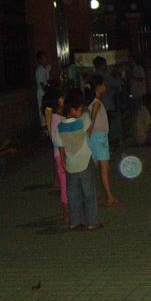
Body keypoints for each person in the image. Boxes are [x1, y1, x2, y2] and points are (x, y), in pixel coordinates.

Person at [54, 93, 102, 231]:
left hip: (70, 164)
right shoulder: (83, 120)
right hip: (85, 161)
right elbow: (89, 122)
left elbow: (60, 147)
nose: (81, 111)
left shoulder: (60, 127)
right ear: (72, 110)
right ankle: (92, 222)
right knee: (89, 193)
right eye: (79, 108)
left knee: (73, 194)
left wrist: (63, 163)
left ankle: (74, 222)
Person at [87, 75, 120, 206]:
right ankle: (109, 196)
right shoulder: (96, 103)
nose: (105, 86)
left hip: (94, 137)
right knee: (104, 169)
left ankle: (96, 195)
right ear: (98, 87)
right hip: (99, 138)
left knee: (94, 169)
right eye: (103, 84)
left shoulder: (93, 103)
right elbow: (92, 121)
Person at [44, 89, 68, 219]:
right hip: (60, 154)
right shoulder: (55, 117)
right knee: (64, 184)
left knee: (68, 183)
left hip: (67, 153)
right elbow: (55, 139)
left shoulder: (62, 116)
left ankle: (71, 210)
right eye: (61, 98)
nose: (64, 99)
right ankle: (66, 212)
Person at [93, 56, 123, 144]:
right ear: (102, 65)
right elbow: (117, 83)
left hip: (96, 103)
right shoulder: (105, 76)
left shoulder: (93, 75)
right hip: (107, 103)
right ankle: (109, 142)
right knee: (108, 124)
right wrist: (117, 75)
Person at [35, 51, 51, 133]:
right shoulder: (39, 70)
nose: (46, 60)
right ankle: (44, 128)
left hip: (45, 93)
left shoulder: (45, 68)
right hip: (42, 93)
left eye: (46, 58)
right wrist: (47, 93)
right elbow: (42, 84)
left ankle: (47, 127)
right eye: (44, 58)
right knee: (42, 110)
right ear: (40, 60)